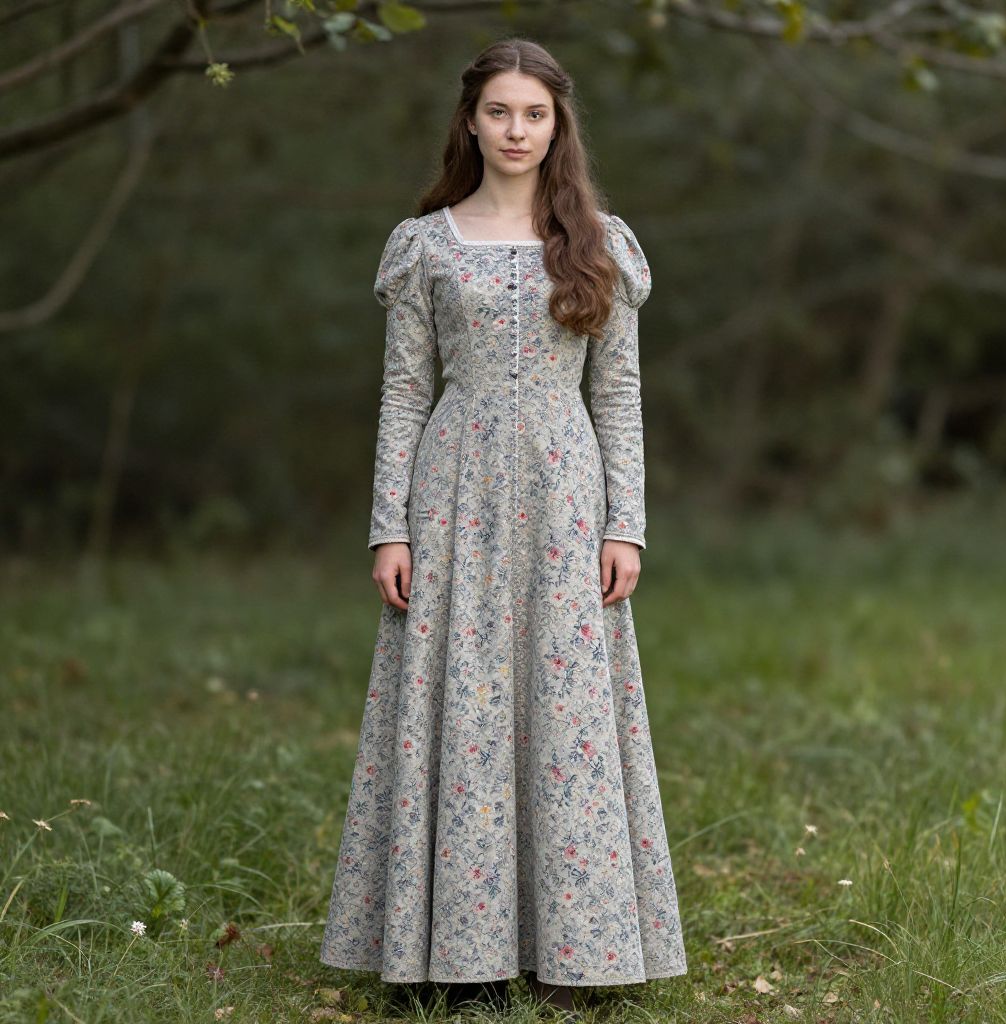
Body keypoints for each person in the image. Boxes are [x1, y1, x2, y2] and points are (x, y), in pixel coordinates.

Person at [320, 36, 687, 1019]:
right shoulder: (427, 243)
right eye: (499, 112)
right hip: (452, 496)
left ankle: (578, 950)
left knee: (564, 712)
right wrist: (386, 527)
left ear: (556, 123)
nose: (516, 130)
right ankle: (461, 954)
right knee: (461, 707)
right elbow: (404, 389)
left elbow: (618, 393)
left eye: (534, 114)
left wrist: (627, 526)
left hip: (568, 494)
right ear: (470, 121)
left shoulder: (598, 240)